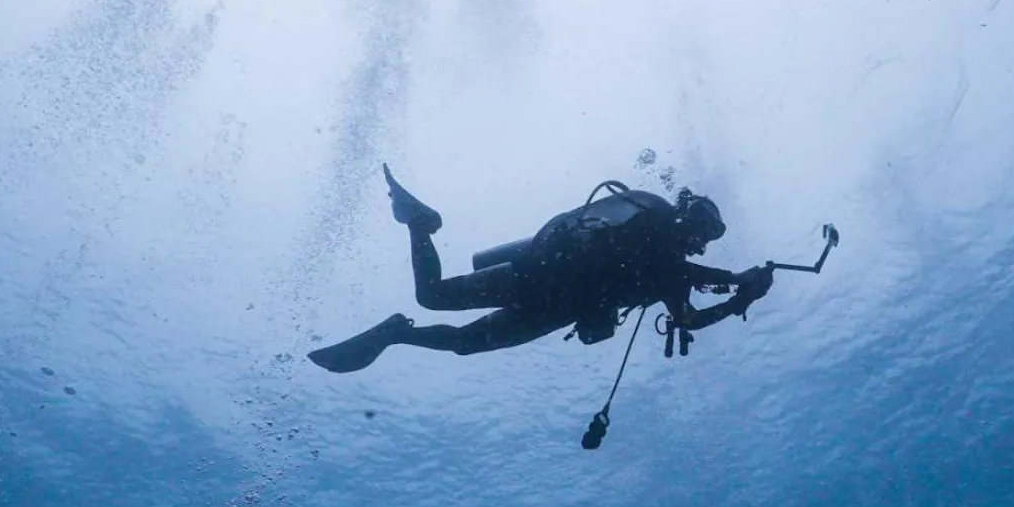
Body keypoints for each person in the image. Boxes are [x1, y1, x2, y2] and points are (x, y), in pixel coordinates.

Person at [307, 165, 774, 373]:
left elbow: (685, 299)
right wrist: (740, 293)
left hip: (541, 288)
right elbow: (683, 299)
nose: (701, 240)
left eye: (708, 236)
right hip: (545, 287)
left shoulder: (659, 242)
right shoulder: (660, 239)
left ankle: (397, 320)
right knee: (445, 316)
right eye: (704, 232)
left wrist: (738, 289)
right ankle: (415, 247)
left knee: (453, 326)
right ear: (691, 222)